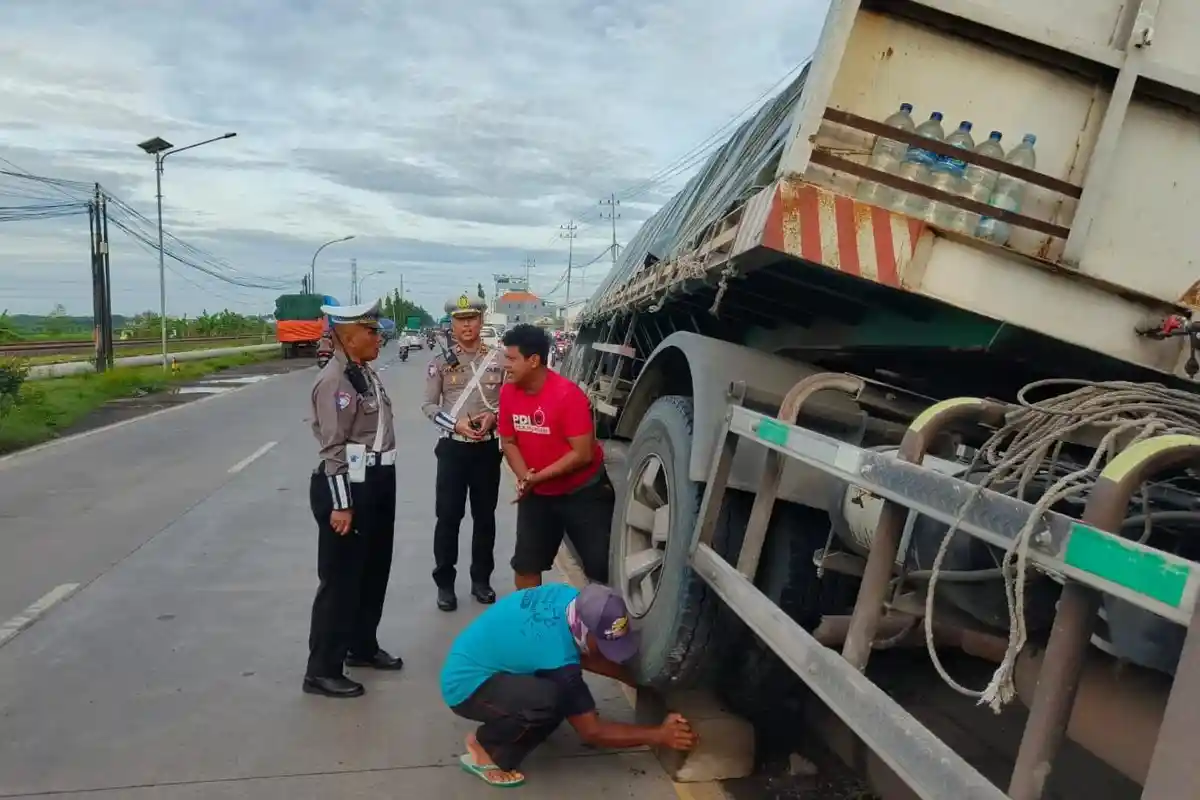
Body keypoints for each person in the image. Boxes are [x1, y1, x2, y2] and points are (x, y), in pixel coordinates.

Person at [441, 582, 698, 787]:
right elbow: (593, 732)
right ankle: (485, 748)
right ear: (585, 633)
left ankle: (522, 715)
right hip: (466, 687)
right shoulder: (558, 660)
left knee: (557, 700)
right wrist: (659, 735)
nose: (611, 653)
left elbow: (590, 657)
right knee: (547, 702)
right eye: (606, 645)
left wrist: (643, 684)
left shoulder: (571, 601)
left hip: (485, 658)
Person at [304, 299, 404, 699]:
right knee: (341, 580)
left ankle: (361, 646)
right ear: (348, 336)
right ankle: (321, 670)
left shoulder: (361, 372)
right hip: (349, 485)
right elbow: (334, 449)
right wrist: (342, 504)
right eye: (372, 331)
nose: (379, 337)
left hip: (377, 479)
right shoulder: (334, 381)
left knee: (373, 570)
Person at [498, 323, 613, 589]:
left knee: (599, 569)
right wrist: (525, 477)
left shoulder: (567, 395)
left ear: (534, 360)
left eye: (512, 359)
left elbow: (582, 454)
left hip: (583, 493)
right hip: (537, 494)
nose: (506, 365)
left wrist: (536, 478)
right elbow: (508, 441)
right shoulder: (508, 393)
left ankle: (595, 615)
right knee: (526, 565)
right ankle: (529, 614)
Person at [421, 293, 505, 611]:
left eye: (472, 318)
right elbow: (428, 405)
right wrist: (456, 424)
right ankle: (445, 584)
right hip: (453, 450)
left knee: (485, 518)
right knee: (448, 518)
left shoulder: (499, 359)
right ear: (452, 324)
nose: (467, 325)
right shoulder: (441, 362)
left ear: (481, 321)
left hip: (487, 450)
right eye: (460, 320)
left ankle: (481, 580)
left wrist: (495, 417)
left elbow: (510, 401)